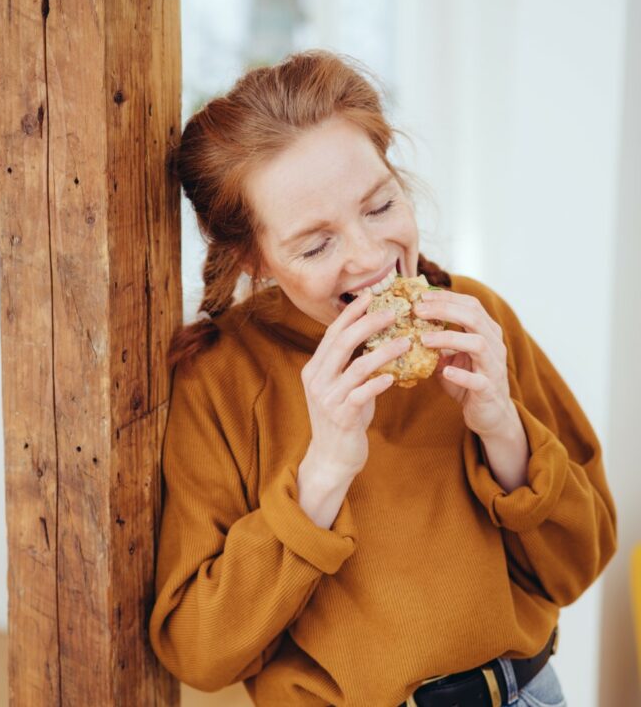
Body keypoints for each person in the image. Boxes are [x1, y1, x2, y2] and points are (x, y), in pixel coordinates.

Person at [148, 50, 617, 707]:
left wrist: (502, 430)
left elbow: (578, 567)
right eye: (315, 246)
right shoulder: (221, 379)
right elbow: (199, 652)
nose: (370, 259)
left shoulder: (476, 319)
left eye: (380, 205)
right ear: (252, 256)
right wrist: (323, 473)